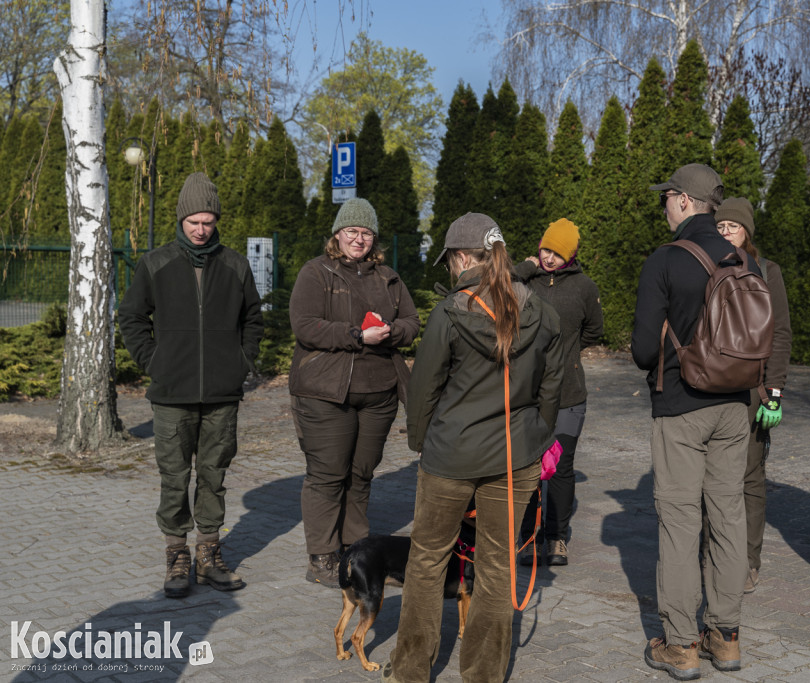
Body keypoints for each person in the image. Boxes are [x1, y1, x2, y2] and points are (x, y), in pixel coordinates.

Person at [383, 213, 563, 682]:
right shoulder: (541, 310)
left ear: (463, 257)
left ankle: (409, 673)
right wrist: (535, 440)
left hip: (450, 456)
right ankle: (483, 675)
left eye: (450, 261)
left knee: (426, 562)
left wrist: (421, 441)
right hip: (514, 458)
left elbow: (422, 389)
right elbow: (553, 387)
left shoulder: (450, 312)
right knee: (497, 567)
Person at [632, 165, 760, 679]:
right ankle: (725, 638)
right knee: (728, 517)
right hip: (735, 405)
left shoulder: (664, 261)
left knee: (681, 522)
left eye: (666, 198)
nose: (663, 205)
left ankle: (681, 645)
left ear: (685, 200)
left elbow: (644, 351)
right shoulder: (743, 258)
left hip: (681, 405)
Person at [119, 172, 264, 599]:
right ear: (181, 220)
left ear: (216, 221)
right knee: (174, 476)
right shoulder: (155, 264)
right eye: (193, 222)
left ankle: (209, 554)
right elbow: (131, 317)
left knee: (213, 474)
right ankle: (177, 556)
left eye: (208, 222)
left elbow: (253, 319)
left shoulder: (235, 264)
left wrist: (241, 363)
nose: (201, 230)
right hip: (171, 394)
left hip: (222, 393)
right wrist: (154, 361)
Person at [288, 197, 419, 587]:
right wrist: (355, 336)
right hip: (326, 392)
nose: (358, 239)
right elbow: (305, 326)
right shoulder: (316, 273)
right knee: (328, 475)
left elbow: (411, 322)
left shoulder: (389, 278)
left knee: (361, 474)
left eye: (365, 233)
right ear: (337, 234)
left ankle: (356, 549)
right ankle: (323, 558)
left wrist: (393, 332)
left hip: (378, 392)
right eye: (351, 231)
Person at [708, 197, 792, 594]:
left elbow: (779, 333)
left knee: (748, 477)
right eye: (719, 227)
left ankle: (747, 560)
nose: (725, 233)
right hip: (711, 387)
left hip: (753, 389)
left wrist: (774, 392)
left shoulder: (767, 271)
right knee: (712, 476)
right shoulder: (707, 266)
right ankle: (714, 554)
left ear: (747, 233)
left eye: (733, 227)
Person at [515, 217, 604, 566]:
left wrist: (566, 355)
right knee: (526, 466)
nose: (549, 258)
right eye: (545, 250)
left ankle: (555, 538)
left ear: (571, 255)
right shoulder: (527, 280)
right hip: (527, 393)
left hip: (568, 393)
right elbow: (499, 282)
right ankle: (528, 537)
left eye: (557, 253)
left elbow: (594, 331)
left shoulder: (584, 287)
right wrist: (527, 266)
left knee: (562, 466)